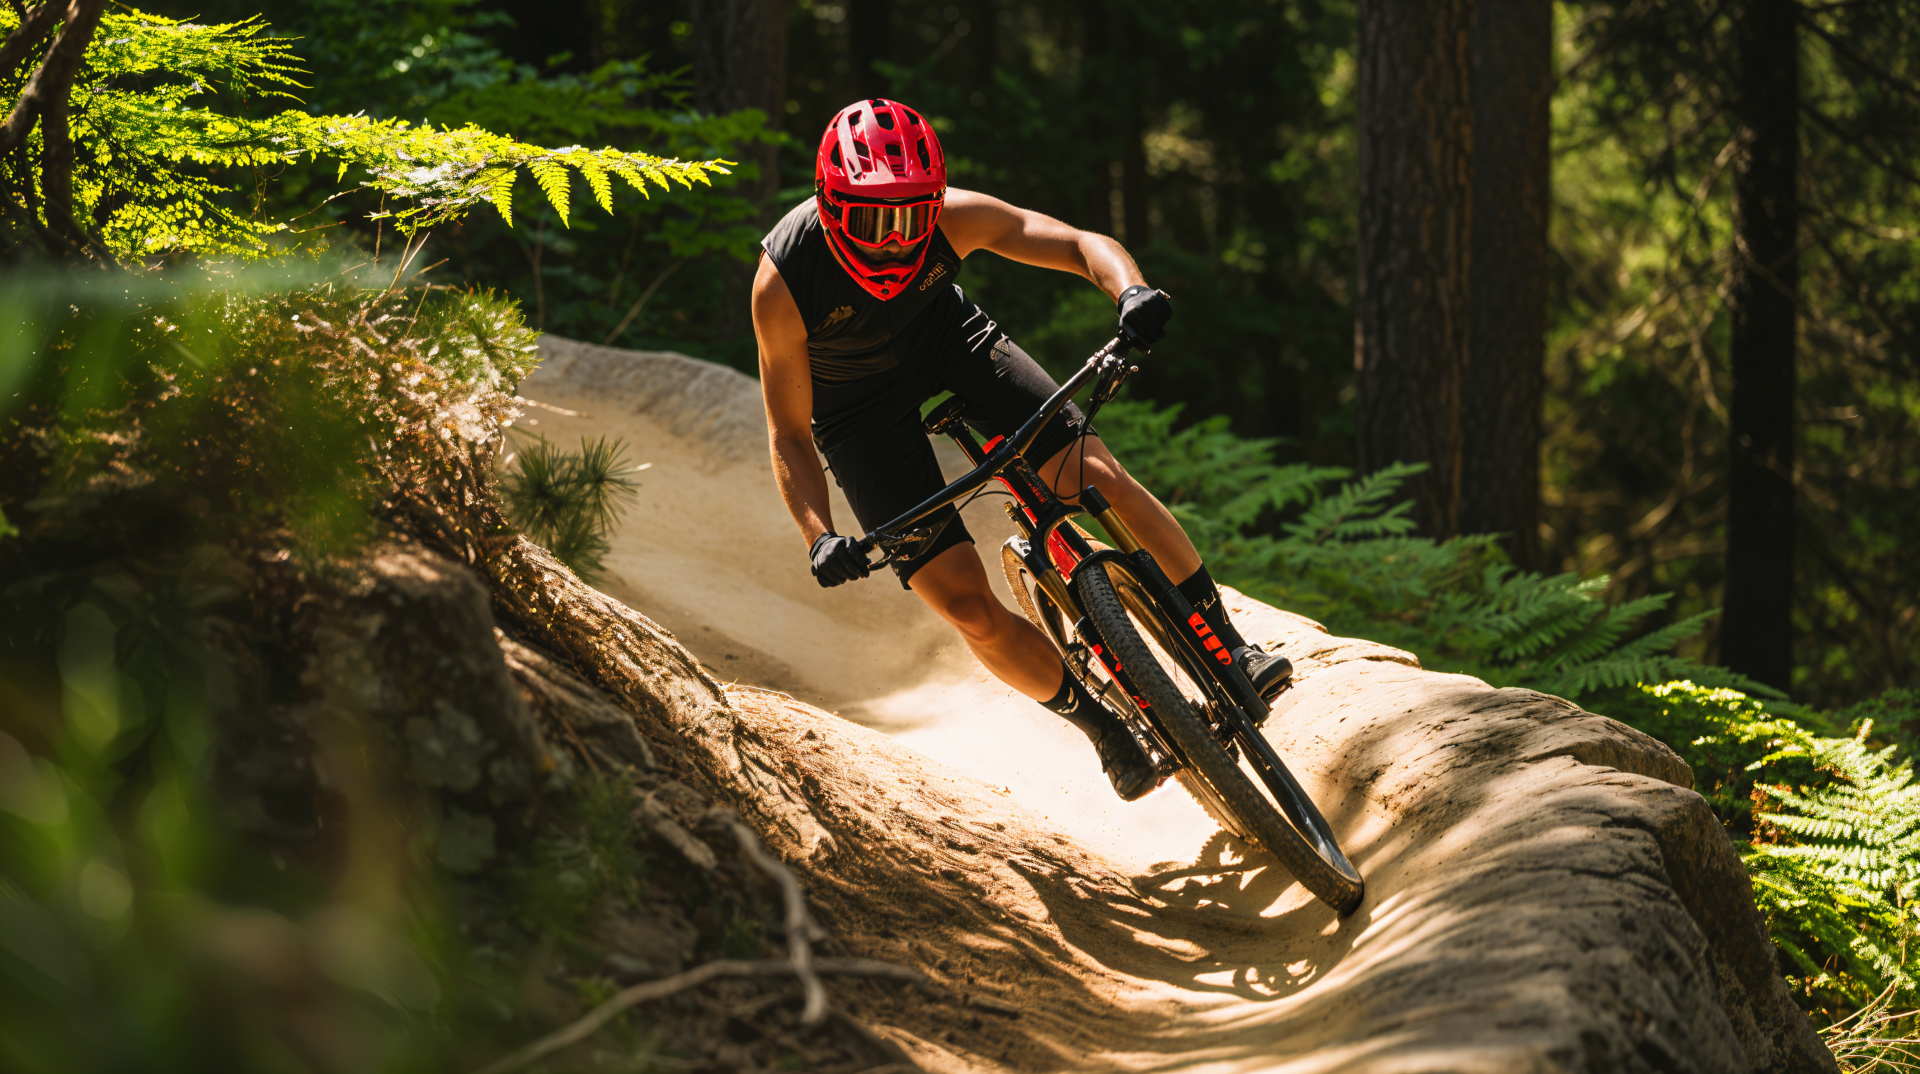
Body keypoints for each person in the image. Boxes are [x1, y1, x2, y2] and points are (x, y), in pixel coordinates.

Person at [752, 99, 1291, 801]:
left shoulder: (956, 217)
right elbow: (790, 432)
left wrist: (1129, 291)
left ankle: (1230, 650)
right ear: (829, 209)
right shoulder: (784, 282)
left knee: (1097, 479)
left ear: (935, 203)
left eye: (910, 218)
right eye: (869, 221)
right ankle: (1102, 727)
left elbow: (1073, 243)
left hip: (951, 344)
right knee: (966, 606)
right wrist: (820, 537)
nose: (889, 241)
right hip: (856, 409)